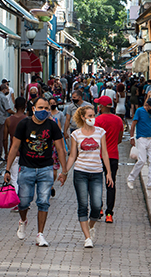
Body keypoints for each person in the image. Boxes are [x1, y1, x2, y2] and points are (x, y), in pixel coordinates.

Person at [3, 97, 68, 247]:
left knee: (43, 202)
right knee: (24, 201)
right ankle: (23, 220)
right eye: (40, 108)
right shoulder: (24, 124)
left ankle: (40, 234)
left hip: (46, 169)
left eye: (47, 108)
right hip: (27, 168)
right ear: (33, 109)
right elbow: (14, 147)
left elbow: (60, 149)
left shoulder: (52, 126)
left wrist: (64, 171)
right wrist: (7, 169)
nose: (44, 111)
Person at [65, 106, 114, 248]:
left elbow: (104, 153)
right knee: (83, 205)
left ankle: (91, 226)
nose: (93, 118)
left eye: (94, 115)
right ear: (83, 117)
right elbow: (73, 155)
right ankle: (87, 237)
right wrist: (65, 172)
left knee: (96, 205)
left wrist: (108, 173)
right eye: (90, 115)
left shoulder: (100, 132)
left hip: (97, 173)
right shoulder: (76, 134)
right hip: (80, 172)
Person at [94, 96, 123, 223]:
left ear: (102, 106)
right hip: (113, 156)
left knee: (97, 183)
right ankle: (109, 214)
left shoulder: (97, 120)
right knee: (111, 184)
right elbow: (120, 139)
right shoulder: (118, 120)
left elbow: (94, 139)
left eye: (99, 104)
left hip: (99, 156)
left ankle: (99, 207)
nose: (97, 106)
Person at [127, 98, 151, 190]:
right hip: (141, 138)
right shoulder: (139, 111)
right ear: (147, 105)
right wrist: (132, 137)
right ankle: (131, 178)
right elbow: (133, 124)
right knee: (142, 160)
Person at [4, 97, 28, 197]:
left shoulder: (9, 120)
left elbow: (4, 138)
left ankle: (15, 200)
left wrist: (5, 152)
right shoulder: (27, 120)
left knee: (13, 177)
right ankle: (24, 199)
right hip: (25, 153)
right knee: (25, 178)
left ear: (14, 106)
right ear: (25, 106)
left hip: (13, 152)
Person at [49, 97, 66, 197]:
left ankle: (51, 185)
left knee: (54, 170)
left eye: (53, 103)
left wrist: (63, 148)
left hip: (54, 148)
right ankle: (48, 187)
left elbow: (60, 135)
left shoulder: (56, 119)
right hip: (45, 148)